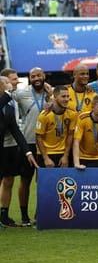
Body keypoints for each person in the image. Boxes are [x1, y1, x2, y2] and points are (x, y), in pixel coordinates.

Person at [10, 67, 52, 225]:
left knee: (43, 182)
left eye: (39, 75)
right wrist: (10, 86)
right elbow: (7, 96)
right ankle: (24, 216)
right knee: (25, 180)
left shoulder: (52, 93)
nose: (36, 78)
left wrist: (51, 96)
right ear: (29, 78)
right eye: (33, 76)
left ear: (44, 76)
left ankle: (40, 214)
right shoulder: (21, 94)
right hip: (28, 143)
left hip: (47, 144)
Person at [0, 76, 38, 227]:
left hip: (6, 148)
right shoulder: (7, 100)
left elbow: (15, 130)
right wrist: (8, 93)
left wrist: (27, 152)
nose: (11, 84)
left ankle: (4, 216)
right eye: (7, 82)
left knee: (8, 179)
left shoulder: (9, 106)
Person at [35, 85, 78, 168]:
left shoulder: (72, 114)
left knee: (63, 180)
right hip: (46, 153)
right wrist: (46, 158)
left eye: (68, 96)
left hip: (63, 153)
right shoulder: (44, 115)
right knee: (44, 180)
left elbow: (70, 135)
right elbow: (38, 137)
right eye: (63, 96)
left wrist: (66, 156)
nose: (66, 99)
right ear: (54, 97)